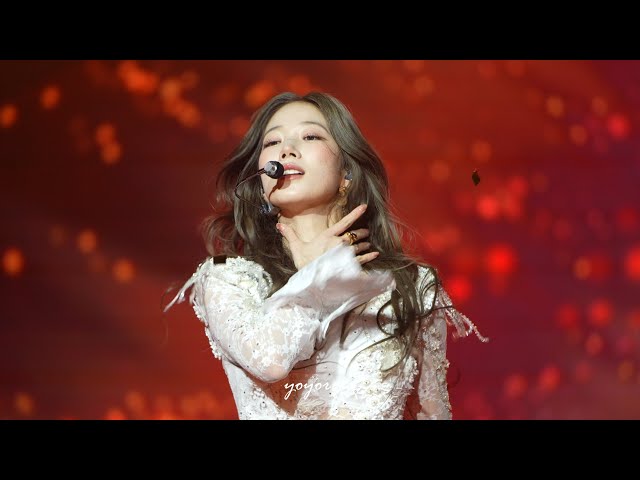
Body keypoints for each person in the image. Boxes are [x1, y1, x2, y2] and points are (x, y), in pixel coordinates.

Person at [164, 91, 487, 420]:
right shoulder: (229, 279)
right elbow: (271, 361)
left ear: (346, 171)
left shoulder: (411, 285)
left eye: (310, 136)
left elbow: (431, 413)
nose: (287, 149)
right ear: (260, 180)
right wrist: (316, 272)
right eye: (272, 142)